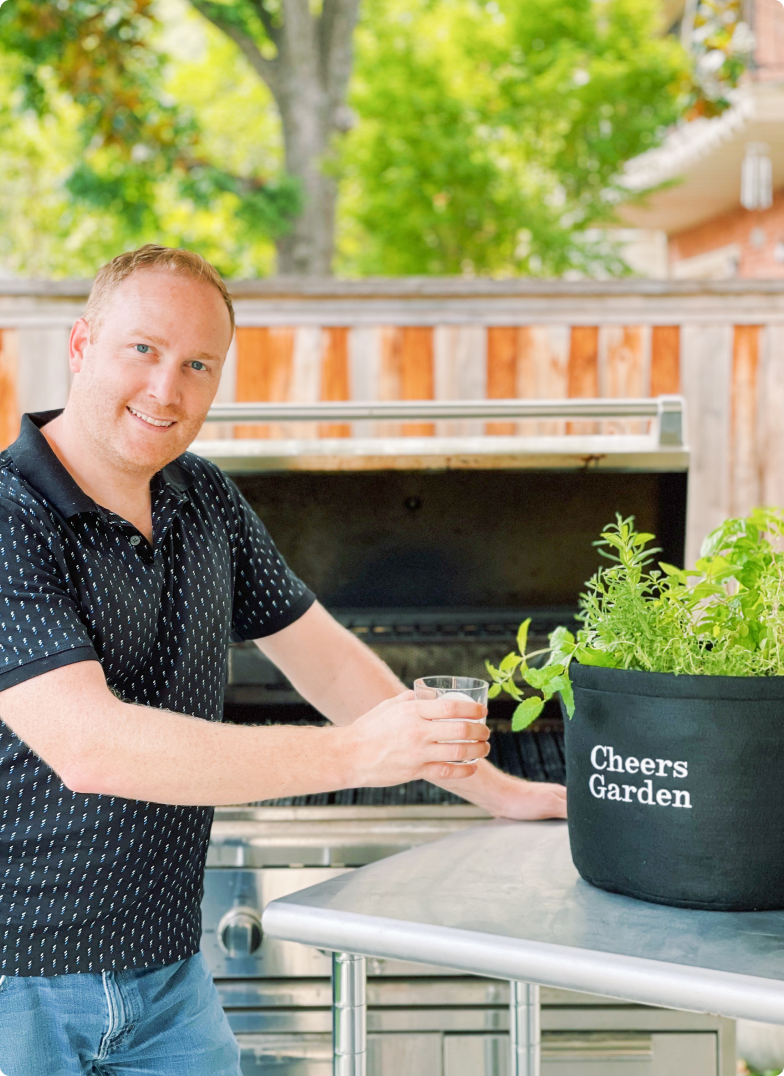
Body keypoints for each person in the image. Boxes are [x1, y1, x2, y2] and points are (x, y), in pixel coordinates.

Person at [0, 245, 567, 1075]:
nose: (167, 389)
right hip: (19, 982)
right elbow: (92, 748)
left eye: (198, 364)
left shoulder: (201, 496)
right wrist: (357, 753)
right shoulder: (10, 518)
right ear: (82, 345)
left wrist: (495, 789)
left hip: (166, 975)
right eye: (143, 350)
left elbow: (329, 664)